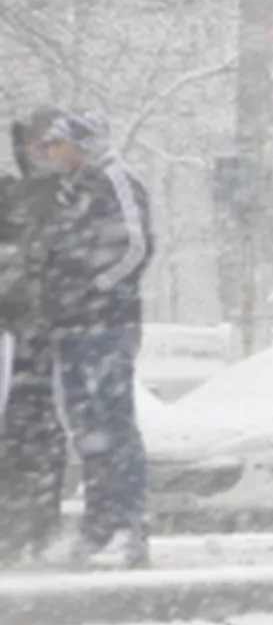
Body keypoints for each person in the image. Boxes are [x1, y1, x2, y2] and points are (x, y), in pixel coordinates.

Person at [24, 106, 153, 567]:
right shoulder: (71, 191)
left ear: (83, 144)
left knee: (112, 424)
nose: (51, 152)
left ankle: (129, 524)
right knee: (88, 430)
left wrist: (95, 290)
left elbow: (135, 246)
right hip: (74, 327)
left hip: (106, 324)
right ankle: (100, 525)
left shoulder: (115, 180)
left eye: (59, 143)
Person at [0, 117, 65, 563]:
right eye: (25, 142)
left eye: (40, 141)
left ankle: (37, 523)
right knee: (15, 429)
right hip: (15, 327)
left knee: (40, 428)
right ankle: (15, 524)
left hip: (46, 328)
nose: (32, 150)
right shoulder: (11, 194)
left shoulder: (67, 194)